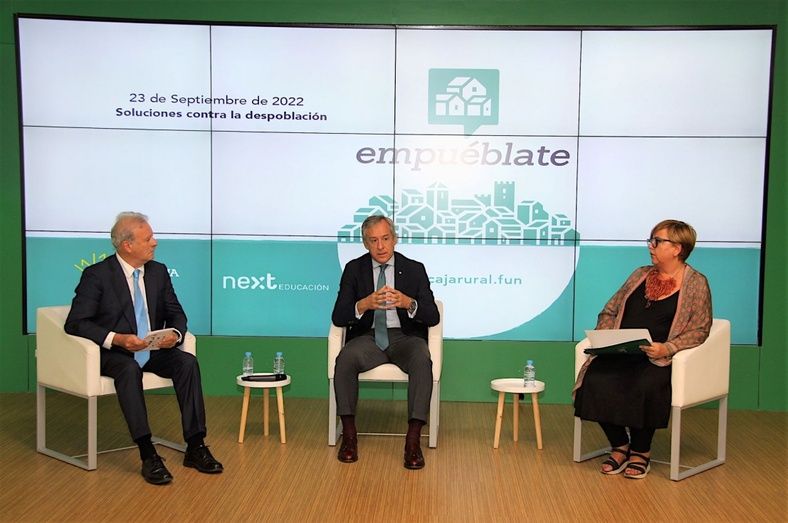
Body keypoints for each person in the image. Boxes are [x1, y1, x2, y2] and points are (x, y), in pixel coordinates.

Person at [64, 212, 223, 485]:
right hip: (115, 354)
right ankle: (148, 453)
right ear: (128, 245)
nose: (155, 242)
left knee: (187, 363)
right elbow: (76, 323)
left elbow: (176, 313)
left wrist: (174, 334)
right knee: (128, 369)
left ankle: (196, 445)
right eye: (148, 238)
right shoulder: (97, 275)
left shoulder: (158, 272)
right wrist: (117, 339)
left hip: (153, 350)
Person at [573, 219, 712, 479]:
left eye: (657, 241)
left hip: (656, 357)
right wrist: (607, 336)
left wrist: (667, 348)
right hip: (622, 352)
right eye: (651, 240)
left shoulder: (696, 283)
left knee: (645, 384)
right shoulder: (640, 274)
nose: (650, 246)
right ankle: (619, 445)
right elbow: (610, 310)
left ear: (677, 248)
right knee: (595, 380)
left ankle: (640, 452)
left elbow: (700, 329)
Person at [331, 215, 440, 469]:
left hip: (405, 338)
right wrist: (363, 304)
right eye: (373, 240)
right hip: (368, 338)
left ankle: (412, 441)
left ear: (395, 239)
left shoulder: (414, 269)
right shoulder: (354, 269)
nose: (380, 246)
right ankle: (349, 437)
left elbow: (432, 316)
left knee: (421, 360)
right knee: (345, 358)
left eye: (385, 238)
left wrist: (409, 303)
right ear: (365, 243)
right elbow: (338, 315)